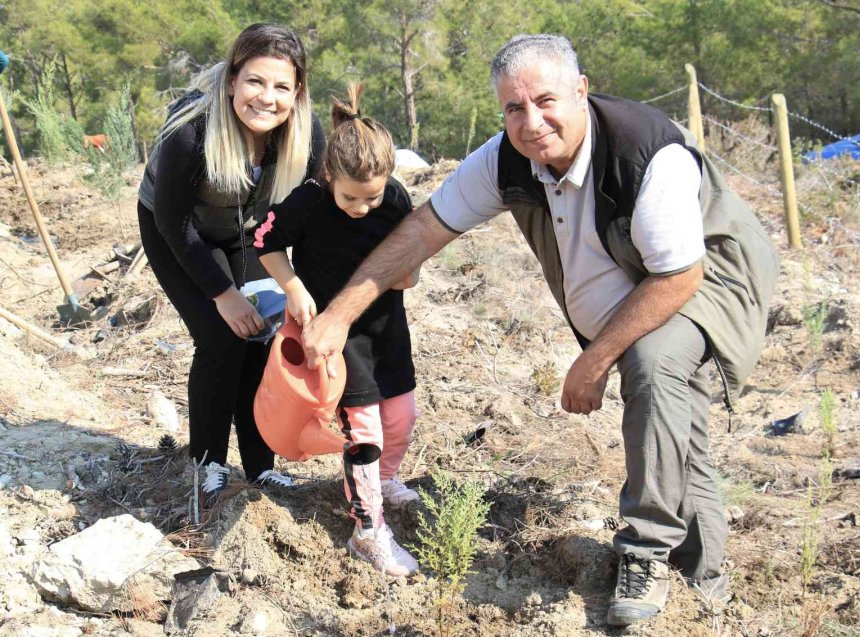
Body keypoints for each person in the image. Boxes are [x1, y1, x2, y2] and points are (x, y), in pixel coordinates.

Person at [300, 35, 779, 625]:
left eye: (545, 100)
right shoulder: (507, 157)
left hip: (703, 279)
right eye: (513, 108)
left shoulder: (645, 154)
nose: (531, 122)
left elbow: (676, 277)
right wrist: (339, 313)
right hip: (643, 284)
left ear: (581, 91)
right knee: (675, 422)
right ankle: (704, 581)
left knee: (653, 367)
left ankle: (646, 554)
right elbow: (424, 231)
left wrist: (594, 358)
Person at [137, 23, 326, 507]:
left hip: (251, 233)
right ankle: (208, 466)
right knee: (222, 336)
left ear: (298, 91)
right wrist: (223, 294)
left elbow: (310, 220)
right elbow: (174, 223)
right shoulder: (190, 132)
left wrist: (301, 290)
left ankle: (261, 468)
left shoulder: (309, 136)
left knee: (264, 333)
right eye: (255, 82)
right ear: (232, 81)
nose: (267, 98)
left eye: (282, 86)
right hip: (179, 228)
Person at [255, 84, 421, 577]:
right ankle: (368, 530)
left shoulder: (392, 198)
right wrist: (293, 287)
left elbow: (412, 249)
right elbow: (263, 241)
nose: (364, 207)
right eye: (352, 197)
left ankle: (383, 479)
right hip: (336, 339)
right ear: (329, 175)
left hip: (388, 326)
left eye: (373, 196)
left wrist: (410, 272)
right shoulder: (306, 202)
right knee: (363, 430)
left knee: (401, 417)